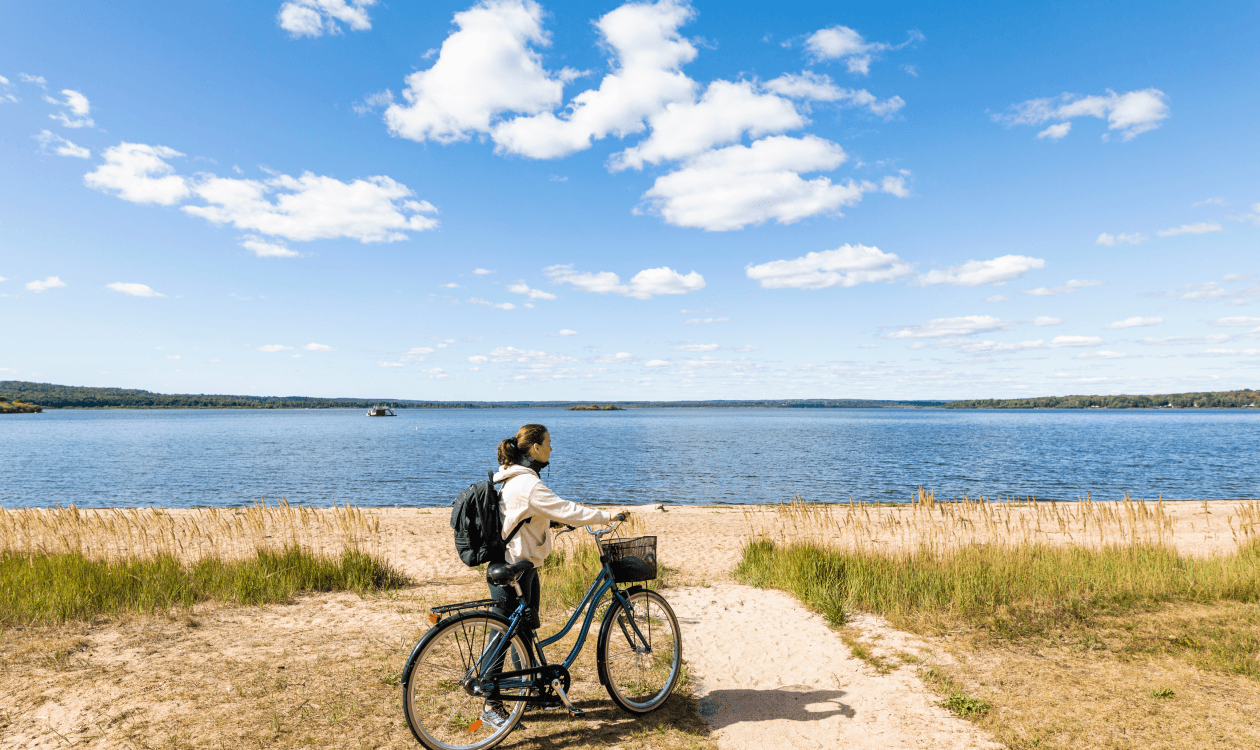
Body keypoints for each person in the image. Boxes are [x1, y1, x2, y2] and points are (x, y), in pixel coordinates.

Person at [482, 423, 625, 727]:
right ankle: (491, 704)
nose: (551, 448)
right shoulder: (529, 484)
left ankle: (528, 693)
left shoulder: (516, 480)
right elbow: (566, 508)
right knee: (503, 636)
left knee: (523, 631)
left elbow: (528, 515)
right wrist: (606, 515)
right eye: (547, 443)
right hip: (515, 570)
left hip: (524, 565)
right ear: (534, 448)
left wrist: (553, 524)